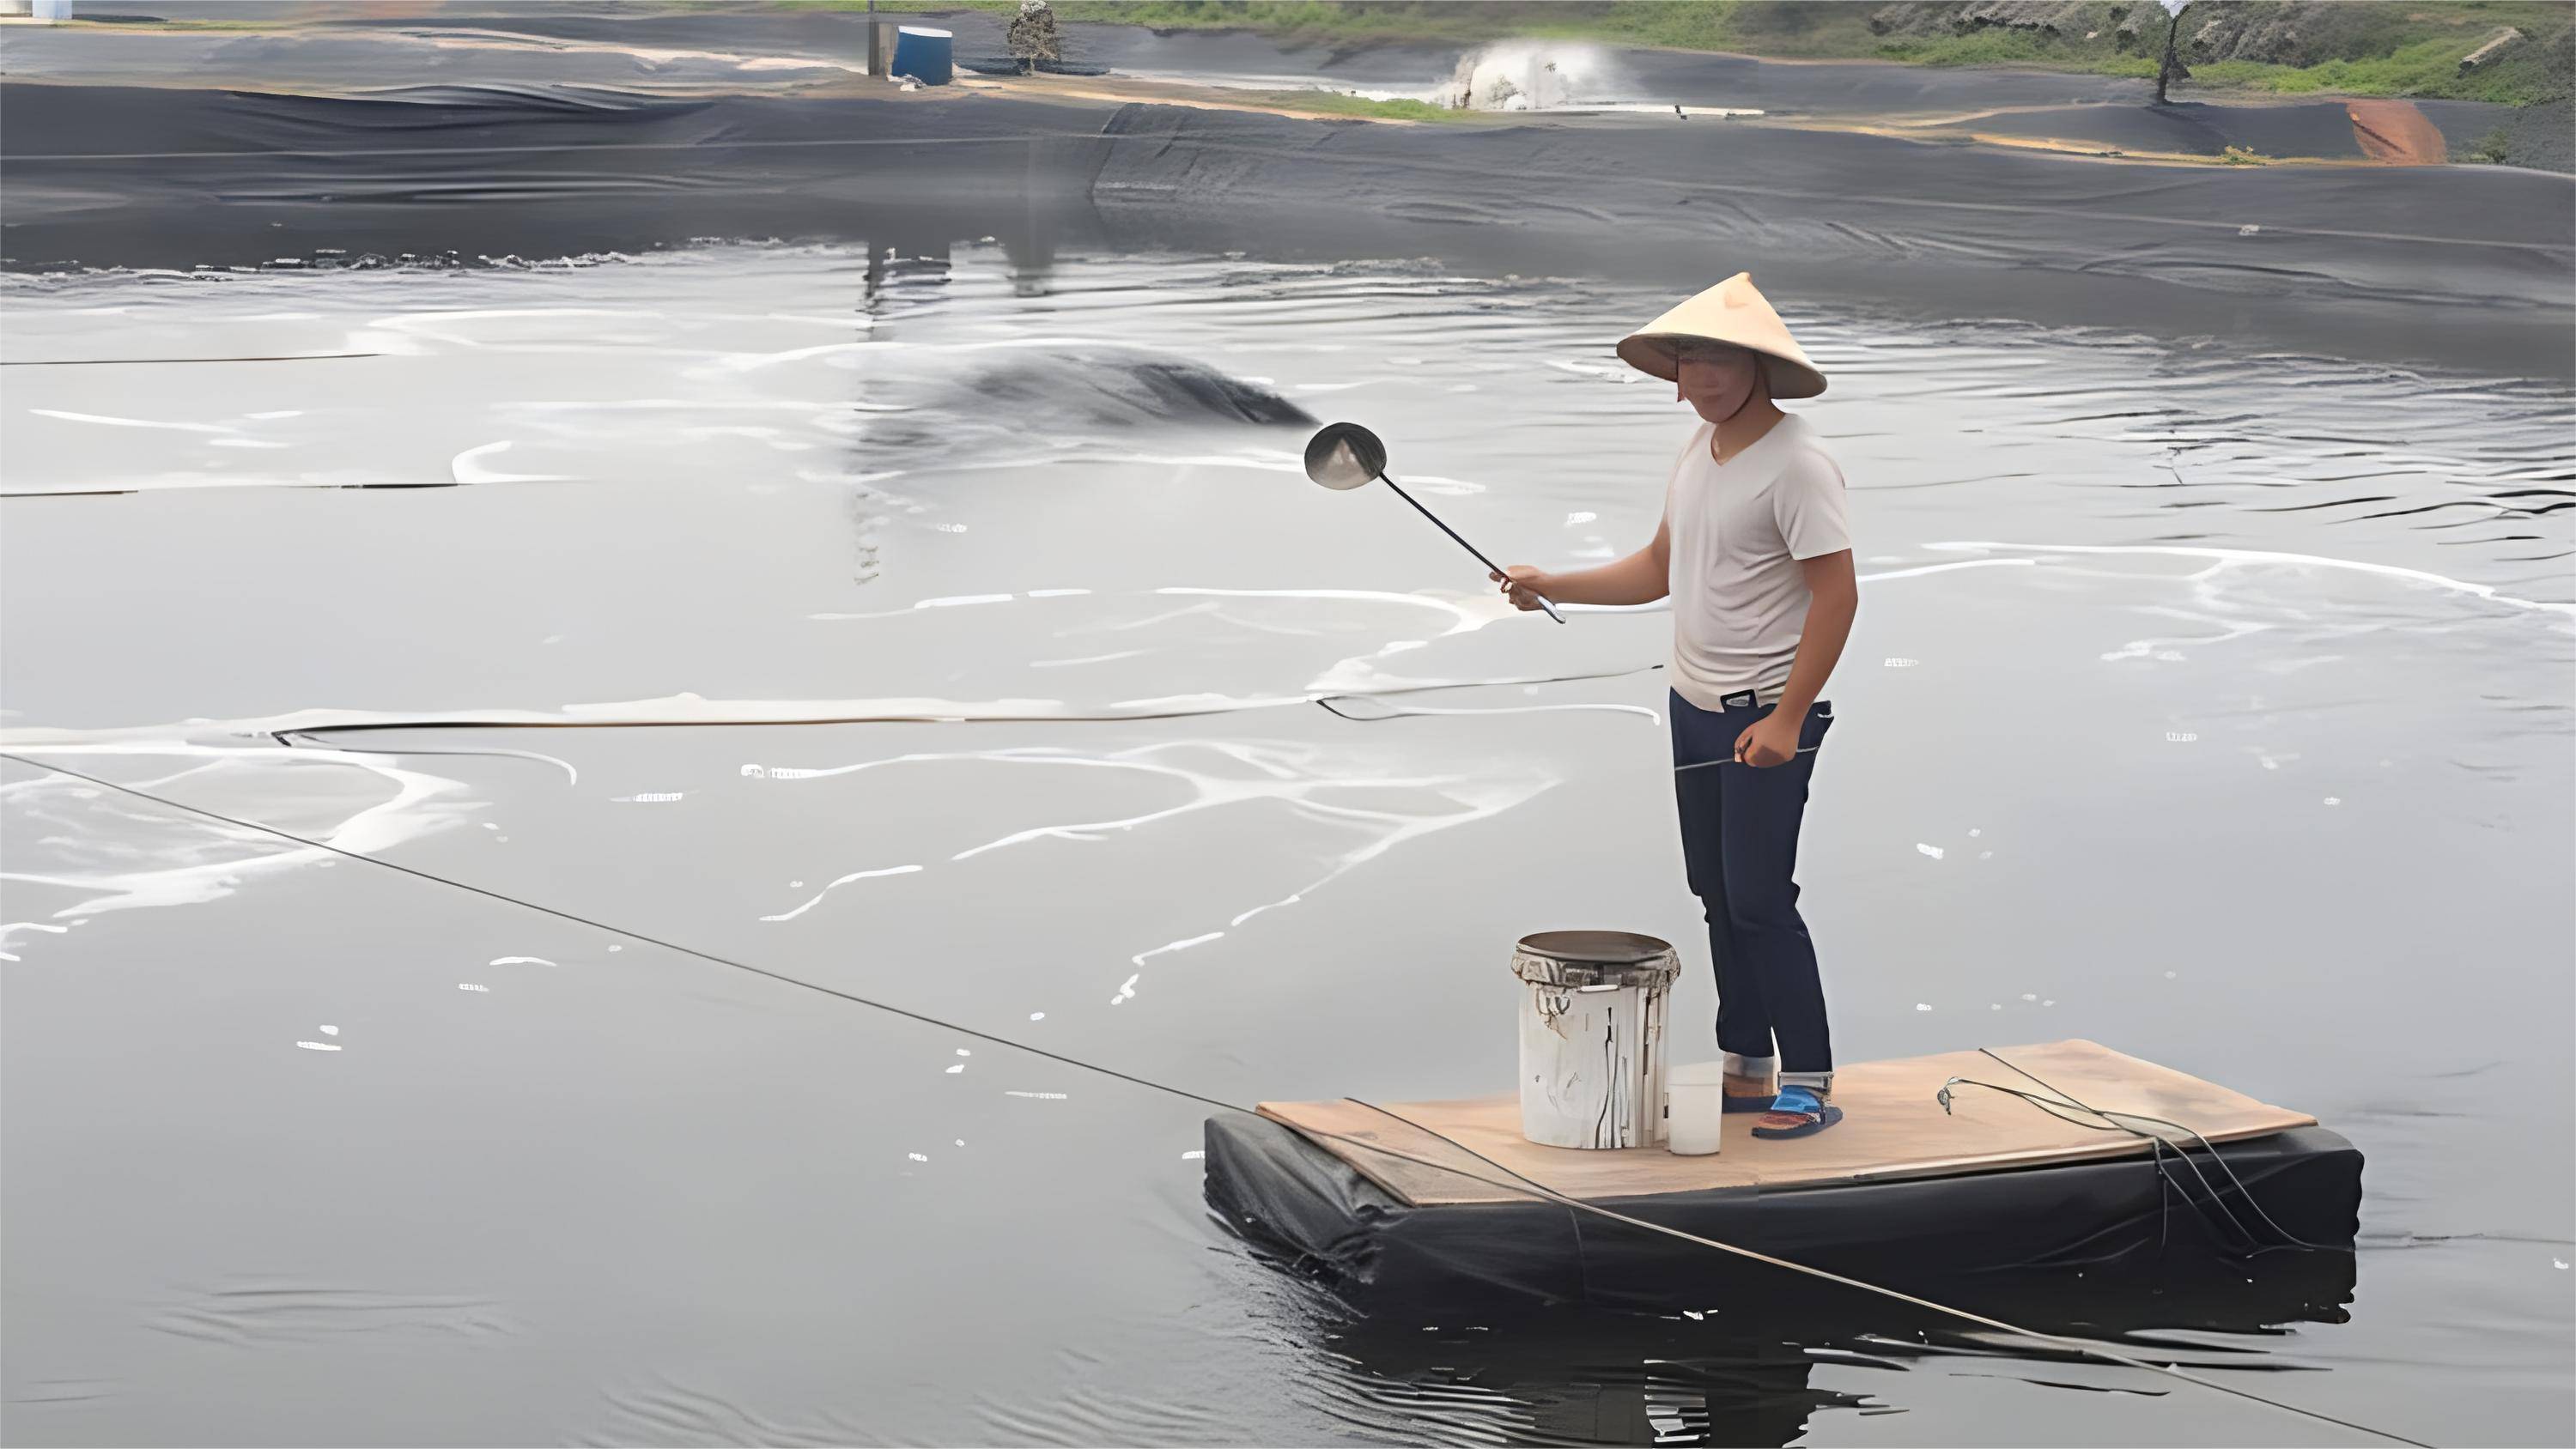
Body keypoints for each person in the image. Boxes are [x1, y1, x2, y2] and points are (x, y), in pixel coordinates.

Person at [1492, 273, 1857, 1139]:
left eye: (1721, 358)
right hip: (1692, 702)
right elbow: (1662, 566)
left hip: (1764, 712)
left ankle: (1809, 1076)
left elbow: (1838, 595)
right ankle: (1747, 1063)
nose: (1703, 376)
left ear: (1760, 366)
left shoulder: (1799, 465)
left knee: (1760, 896)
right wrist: (1555, 583)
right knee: (1715, 892)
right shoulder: (1702, 448)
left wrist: (1787, 718)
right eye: (1690, 359)